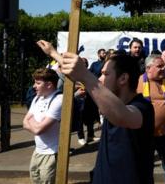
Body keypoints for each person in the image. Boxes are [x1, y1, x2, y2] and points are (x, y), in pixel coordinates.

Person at [47, 41, 155, 184]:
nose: (100, 79)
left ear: (123, 78)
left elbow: (122, 116)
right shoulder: (108, 101)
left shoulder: (142, 107)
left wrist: (85, 75)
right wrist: (53, 53)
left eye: (105, 74)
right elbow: (81, 77)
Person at [137, 55, 165, 184]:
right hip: (145, 135)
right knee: (146, 169)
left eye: (164, 65)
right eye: (159, 66)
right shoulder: (138, 82)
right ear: (148, 68)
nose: (164, 68)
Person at [23, 67, 62, 184]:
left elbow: (39, 129)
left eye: (38, 83)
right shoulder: (37, 98)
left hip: (51, 153)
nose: (34, 86)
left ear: (49, 84)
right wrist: (36, 125)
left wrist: (34, 123)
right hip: (38, 150)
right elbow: (24, 122)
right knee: (35, 179)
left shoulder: (58, 99)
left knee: (46, 181)